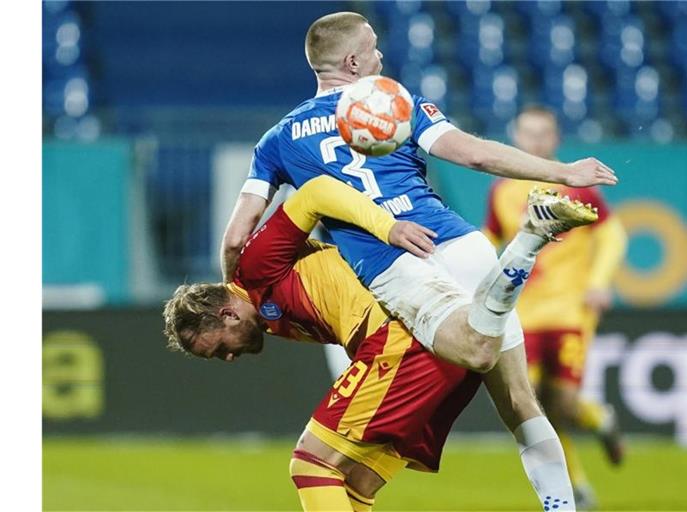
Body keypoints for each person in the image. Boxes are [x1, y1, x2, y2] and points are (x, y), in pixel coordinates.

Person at [219, 11, 617, 510]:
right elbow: (472, 155)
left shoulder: (276, 140)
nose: (381, 55)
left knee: (473, 353)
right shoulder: (395, 101)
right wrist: (562, 171)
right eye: (373, 47)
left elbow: (237, 235)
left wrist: (237, 283)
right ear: (352, 61)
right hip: (457, 241)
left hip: (394, 264)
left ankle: (528, 240)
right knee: (519, 401)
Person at [166, 176, 591, 511]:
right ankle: (527, 242)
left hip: (402, 340)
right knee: (356, 483)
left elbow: (315, 191)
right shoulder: (267, 312)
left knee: (310, 465)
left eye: (219, 346)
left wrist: (386, 227)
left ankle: (528, 239)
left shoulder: (255, 269)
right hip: (432, 350)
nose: (227, 357)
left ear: (226, 313)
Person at [484, 105, 629, 510]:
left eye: (543, 133)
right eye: (528, 133)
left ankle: (600, 419)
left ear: (556, 139)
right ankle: (576, 488)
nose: (535, 141)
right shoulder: (502, 190)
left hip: (569, 312)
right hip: (523, 315)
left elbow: (613, 234)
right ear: (515, 136)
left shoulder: (577, 186)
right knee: (533, 407)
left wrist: (598, 283)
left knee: (562, 403)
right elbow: (489, 237)